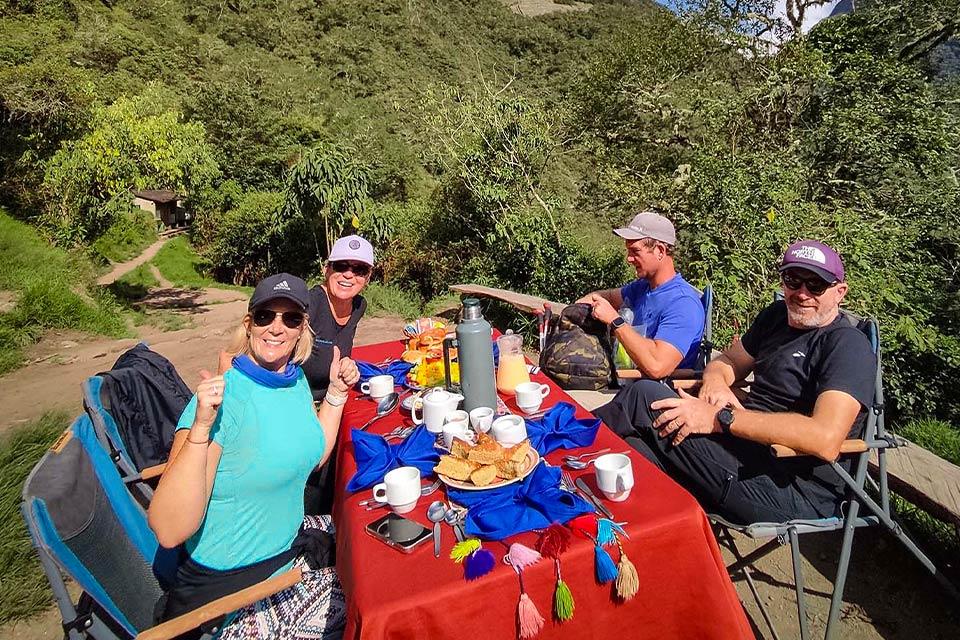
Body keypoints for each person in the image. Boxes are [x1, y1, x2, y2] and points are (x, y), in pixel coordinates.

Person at [594, 240, 876, 524]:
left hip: (787, 485)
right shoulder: (777, 317)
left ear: (840, 292)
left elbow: (825, 439)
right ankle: (660, 544)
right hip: (739, 452)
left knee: (645, 397)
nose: (802, 293)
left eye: (816, 285)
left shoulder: (847, 346)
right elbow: (727, 362)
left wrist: (722, 418)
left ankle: (562, 439)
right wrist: (715, 384)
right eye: (793, 280)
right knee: (634, 447)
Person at [149, 272, 359, 638]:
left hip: (285, 548)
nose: (276, 328)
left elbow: (311, 456)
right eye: (265, 316)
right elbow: (169, 531)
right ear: (248, 325)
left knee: (365, 528)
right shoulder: (221, 401)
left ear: (302, 330)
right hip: (237, 594)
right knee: (367, 594)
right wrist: (200, 431)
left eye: (290, 318)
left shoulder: (291, 380)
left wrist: (337, 395)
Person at [217, 234, 373, 515]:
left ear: (368, 276)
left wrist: (345, 367)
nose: (349, 274)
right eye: (341, 266)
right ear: (327, 269)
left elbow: (339, 351)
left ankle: (328, 521)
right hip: (295, 407)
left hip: (330, 403)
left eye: (359, 269)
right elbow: (234, 354)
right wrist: (238, 413)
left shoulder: (358, 307)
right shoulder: (309, 305)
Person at [577, 210, 704, 379]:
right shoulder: (643, 287)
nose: (629, 259)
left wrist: (615, 321)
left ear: (660, 250)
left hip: (659, 394)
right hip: (627, 382)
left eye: (635, 251)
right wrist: (572, 312)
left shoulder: (683, 303)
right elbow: (604, 297)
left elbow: (657, 367)